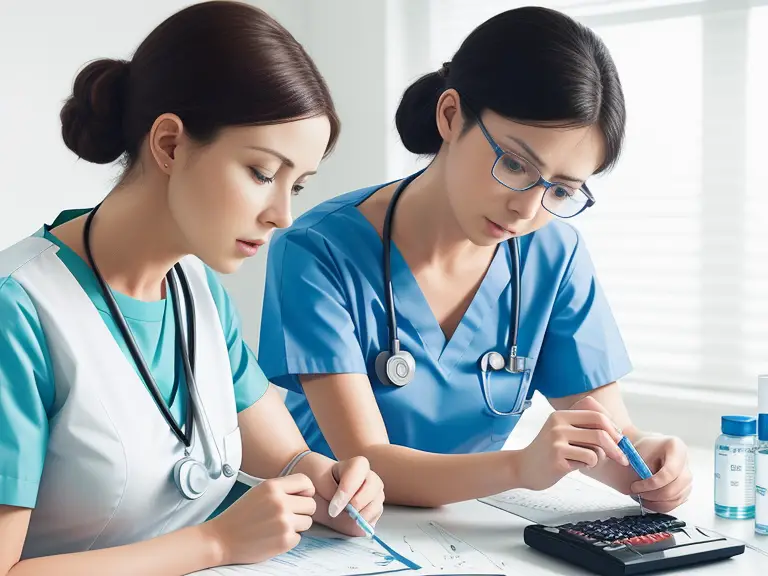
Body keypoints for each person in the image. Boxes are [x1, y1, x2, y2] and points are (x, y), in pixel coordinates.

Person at [0, 2, 385, 575]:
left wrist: (335, 486)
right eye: (262, 173)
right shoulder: (19, 313)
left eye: (297, 186)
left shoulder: (194, 285)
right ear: (171, 144)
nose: (282, 215)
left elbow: (286, 459)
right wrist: (218, 544)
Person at [259, 6, 693, 511]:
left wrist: (648, 462)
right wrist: (520, 468)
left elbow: (600, 428)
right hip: (338, 533)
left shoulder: (554, 255)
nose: (527, 208)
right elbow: (368, 463)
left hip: (467, 534)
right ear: (450, 116)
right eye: (514, 163)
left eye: (562, 189)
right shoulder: (318, 250)